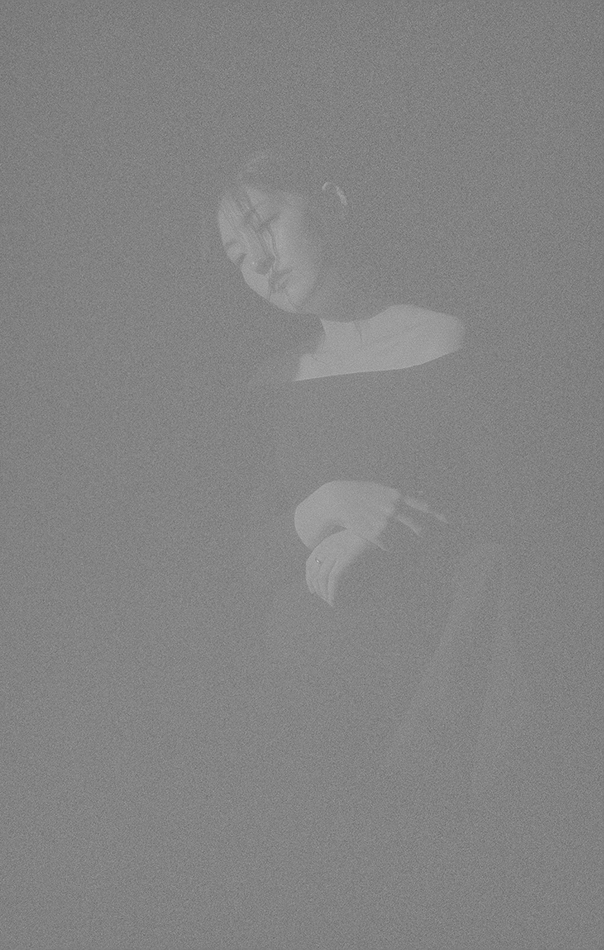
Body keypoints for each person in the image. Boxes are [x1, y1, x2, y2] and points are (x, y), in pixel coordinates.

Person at [199, 147, 600, 949]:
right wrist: (321, 507)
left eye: (265, 225)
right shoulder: (268, 388)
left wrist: (390, 531)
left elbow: (530, 515)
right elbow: (238, 563)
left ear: (331, 201)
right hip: (304, 709)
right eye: (238, 256)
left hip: (434, 687)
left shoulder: (448, 343)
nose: (259, 264)